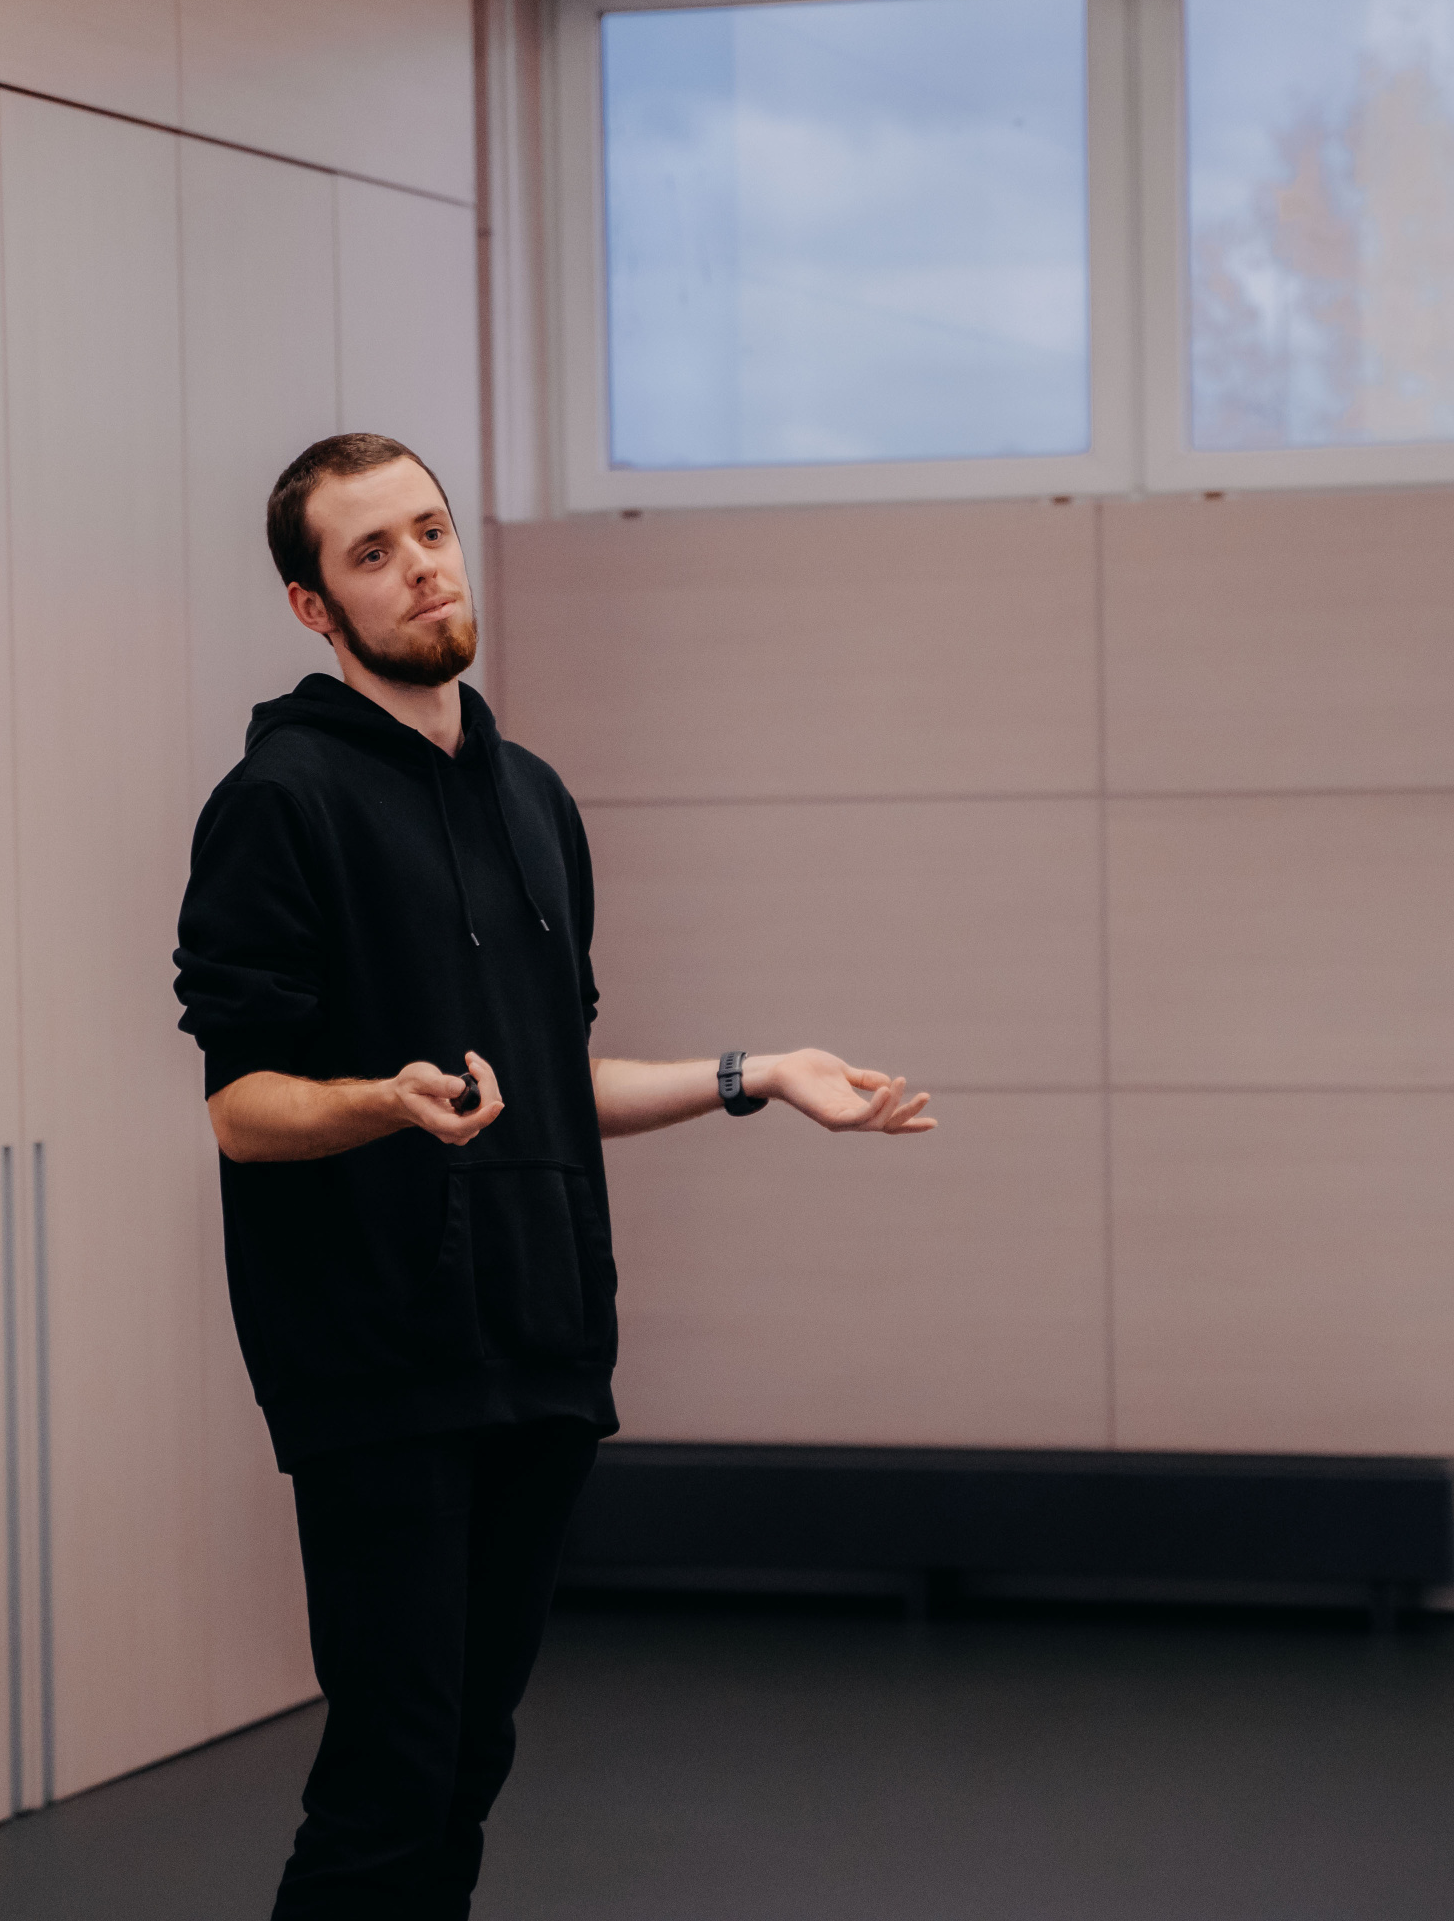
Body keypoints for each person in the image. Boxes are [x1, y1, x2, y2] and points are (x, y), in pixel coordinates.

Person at [173, 432, 934, 1919]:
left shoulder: (533, 797)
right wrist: (382, 1103)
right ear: (314, 608)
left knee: (466, 1763)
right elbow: (242, 1111)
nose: (421, 569)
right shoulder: (278, 800)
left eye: (430, 531)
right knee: (391, 1781)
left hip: (540, 1346)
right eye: (372, 553)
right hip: (378, 1365)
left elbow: (550, 1078)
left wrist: (757, 1073)